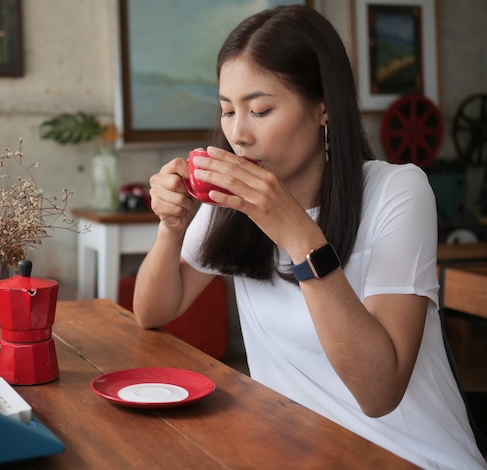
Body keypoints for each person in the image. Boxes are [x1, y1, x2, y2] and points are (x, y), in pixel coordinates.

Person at [132, 4, 486, 469]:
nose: (238, 134)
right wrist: (171, 229)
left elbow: (379, 393)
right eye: (227, 110)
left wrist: (297, 232)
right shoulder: (230, 204)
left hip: (411, 456)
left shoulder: (398, 191)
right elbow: (152, 311)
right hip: (299, 450)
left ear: (323, 107)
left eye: (260, 110)